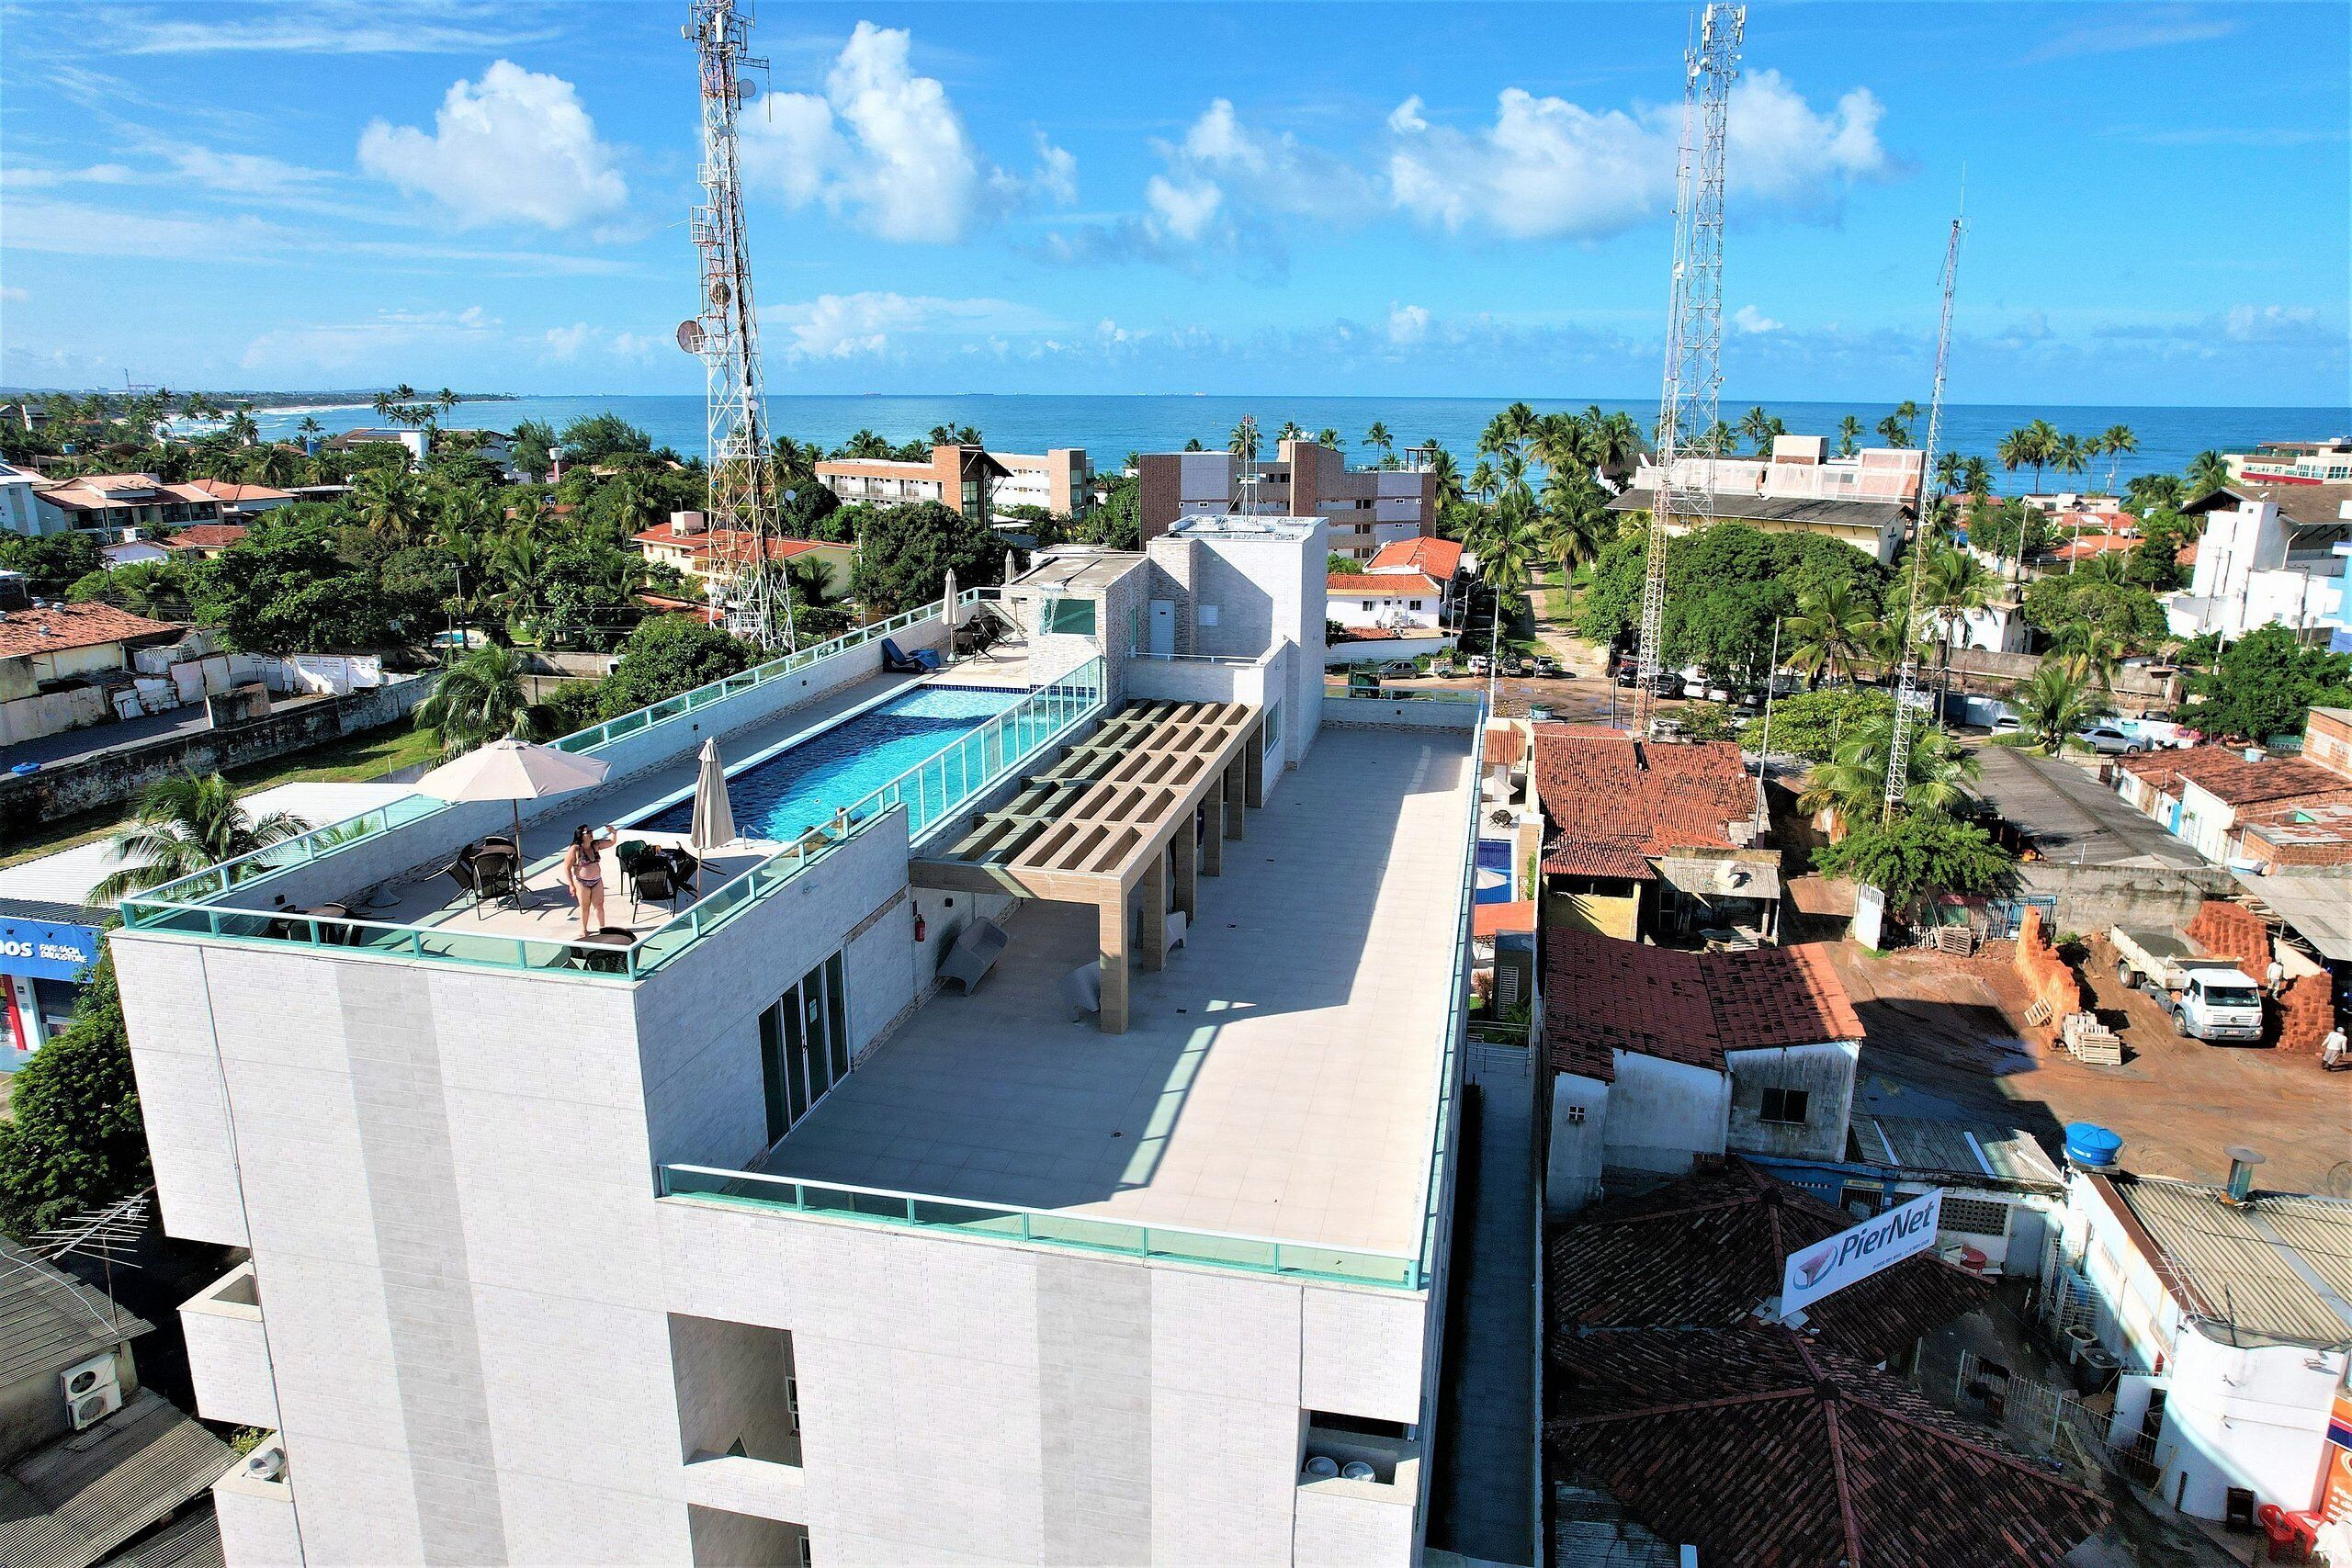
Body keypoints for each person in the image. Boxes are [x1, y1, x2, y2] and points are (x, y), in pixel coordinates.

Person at [563, 823, 616, 938]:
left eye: (591, 831)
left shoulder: (595, 845)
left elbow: (611, 842)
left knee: (599, 905)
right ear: (581, 836)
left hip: (597, 880)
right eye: (588, 832)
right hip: (582, 882)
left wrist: (613, 833)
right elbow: (566, 868)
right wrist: (571, 885)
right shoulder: (575, 849)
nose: (591, 834)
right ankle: (584, 928)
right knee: (585, 906)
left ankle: (602, 928)